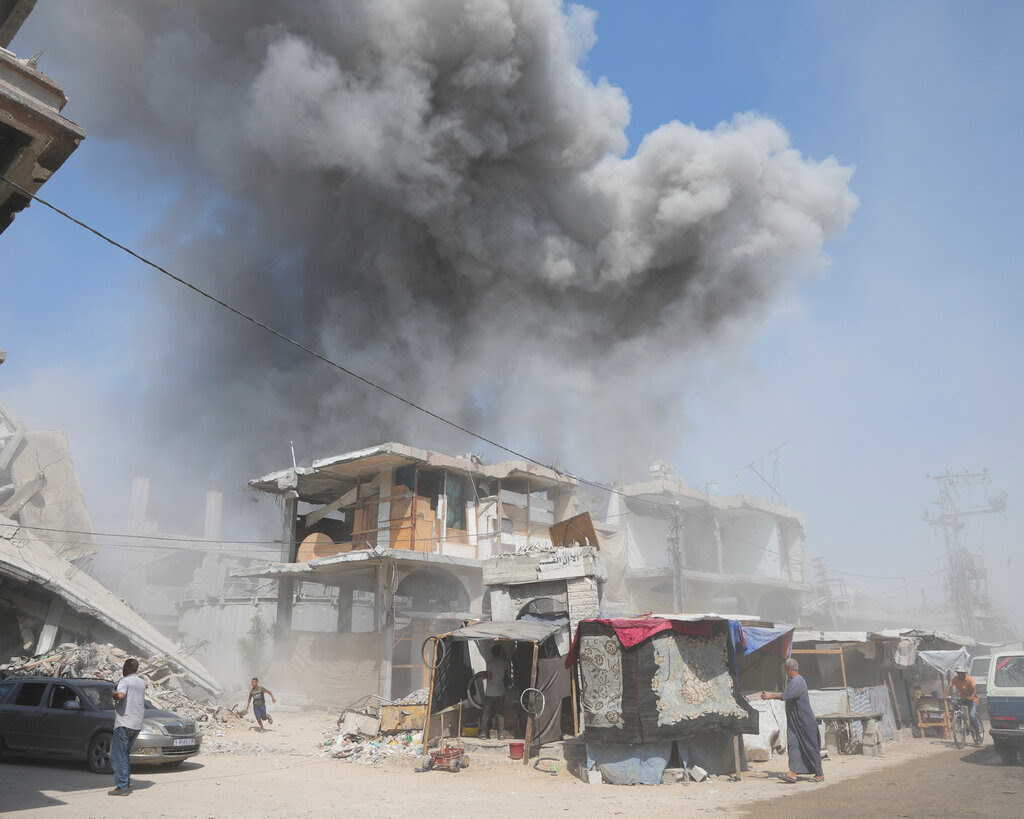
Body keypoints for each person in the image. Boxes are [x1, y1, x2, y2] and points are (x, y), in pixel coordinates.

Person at [761, 658, 824, 783]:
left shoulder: (797, 681)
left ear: (788, 669)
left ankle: (820, 774)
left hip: (804, 721)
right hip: (795, 721)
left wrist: (770, 696)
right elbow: (787, 694)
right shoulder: (794, 681)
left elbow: (788, 695)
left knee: (810, 746)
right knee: (793, 745)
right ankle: (792, 773)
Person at [109, 658, 146, 796]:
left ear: (127, 668)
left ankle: (121, 786)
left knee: (118, 756)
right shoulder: (141, 682)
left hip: (124, 722)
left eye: (124, 666)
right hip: (136, 724)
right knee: (124, 755)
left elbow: (120, 695)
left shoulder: (124, 681)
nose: (122, 669)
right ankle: (127, 782)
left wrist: (113, 694)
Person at [945, 664, 982, 739]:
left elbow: (975, 689)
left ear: (964, 673)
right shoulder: (955, 679)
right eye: (958, 673)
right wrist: (946, 695)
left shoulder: (970, 679)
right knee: (954, 702)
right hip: (963, 698)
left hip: (973, 700)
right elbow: (949, 687)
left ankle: (977, 733)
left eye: (961, 673)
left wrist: (971, 697)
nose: (960, 674)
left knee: (972, 715)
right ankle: (960, 717)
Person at [480, 645, 508, 740]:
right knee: (500, 714)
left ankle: (483, 734)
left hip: (490, 692)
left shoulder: (489, 662)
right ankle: (501, 735)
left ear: (492, 653)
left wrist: (483, 675)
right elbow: (506, 674)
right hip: (500, 691)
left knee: (486, 713)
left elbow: (489, 676)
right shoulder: (503, 663)